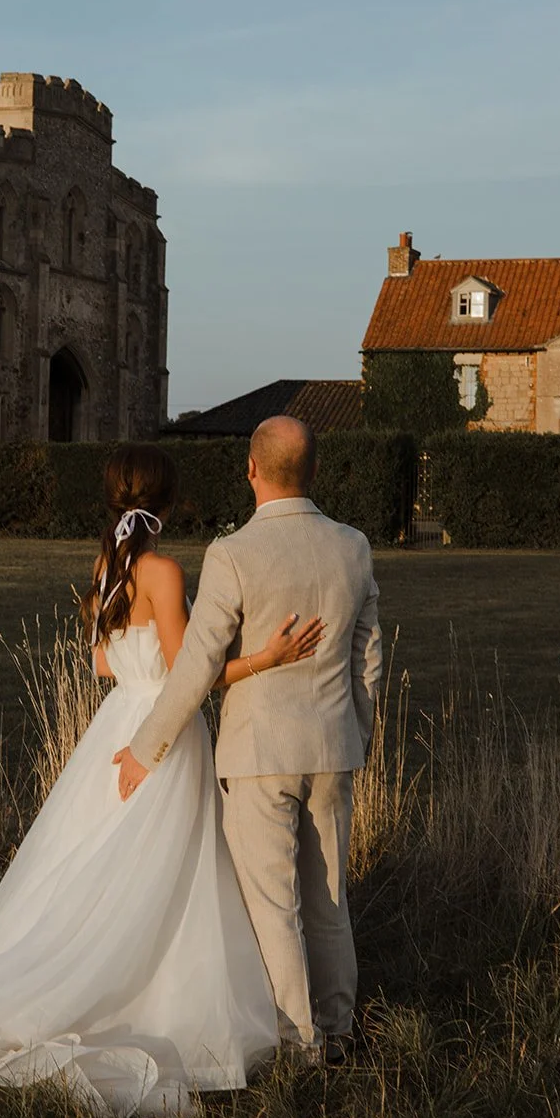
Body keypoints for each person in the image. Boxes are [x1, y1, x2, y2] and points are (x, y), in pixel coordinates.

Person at [0, 443, 323, 1118]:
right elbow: (187, 678)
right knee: (165, 871)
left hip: (117, 724)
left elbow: (102, 665)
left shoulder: (108, 565)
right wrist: (265, 658)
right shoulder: (164, 570)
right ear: (168, 500)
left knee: (100, 865)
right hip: (160, 732)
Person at [116, 416, 382, 1063]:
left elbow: (198, 664)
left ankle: (299, 1045)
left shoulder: (231, 554)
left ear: (250, 470)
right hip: (332, 747)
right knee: (327, 897)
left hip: (259, 753)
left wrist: (145, 748)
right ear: (313, 471)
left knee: (272, 904)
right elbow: (368, 657)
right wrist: (358, 736)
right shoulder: (352, 546)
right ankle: (338, 1026)